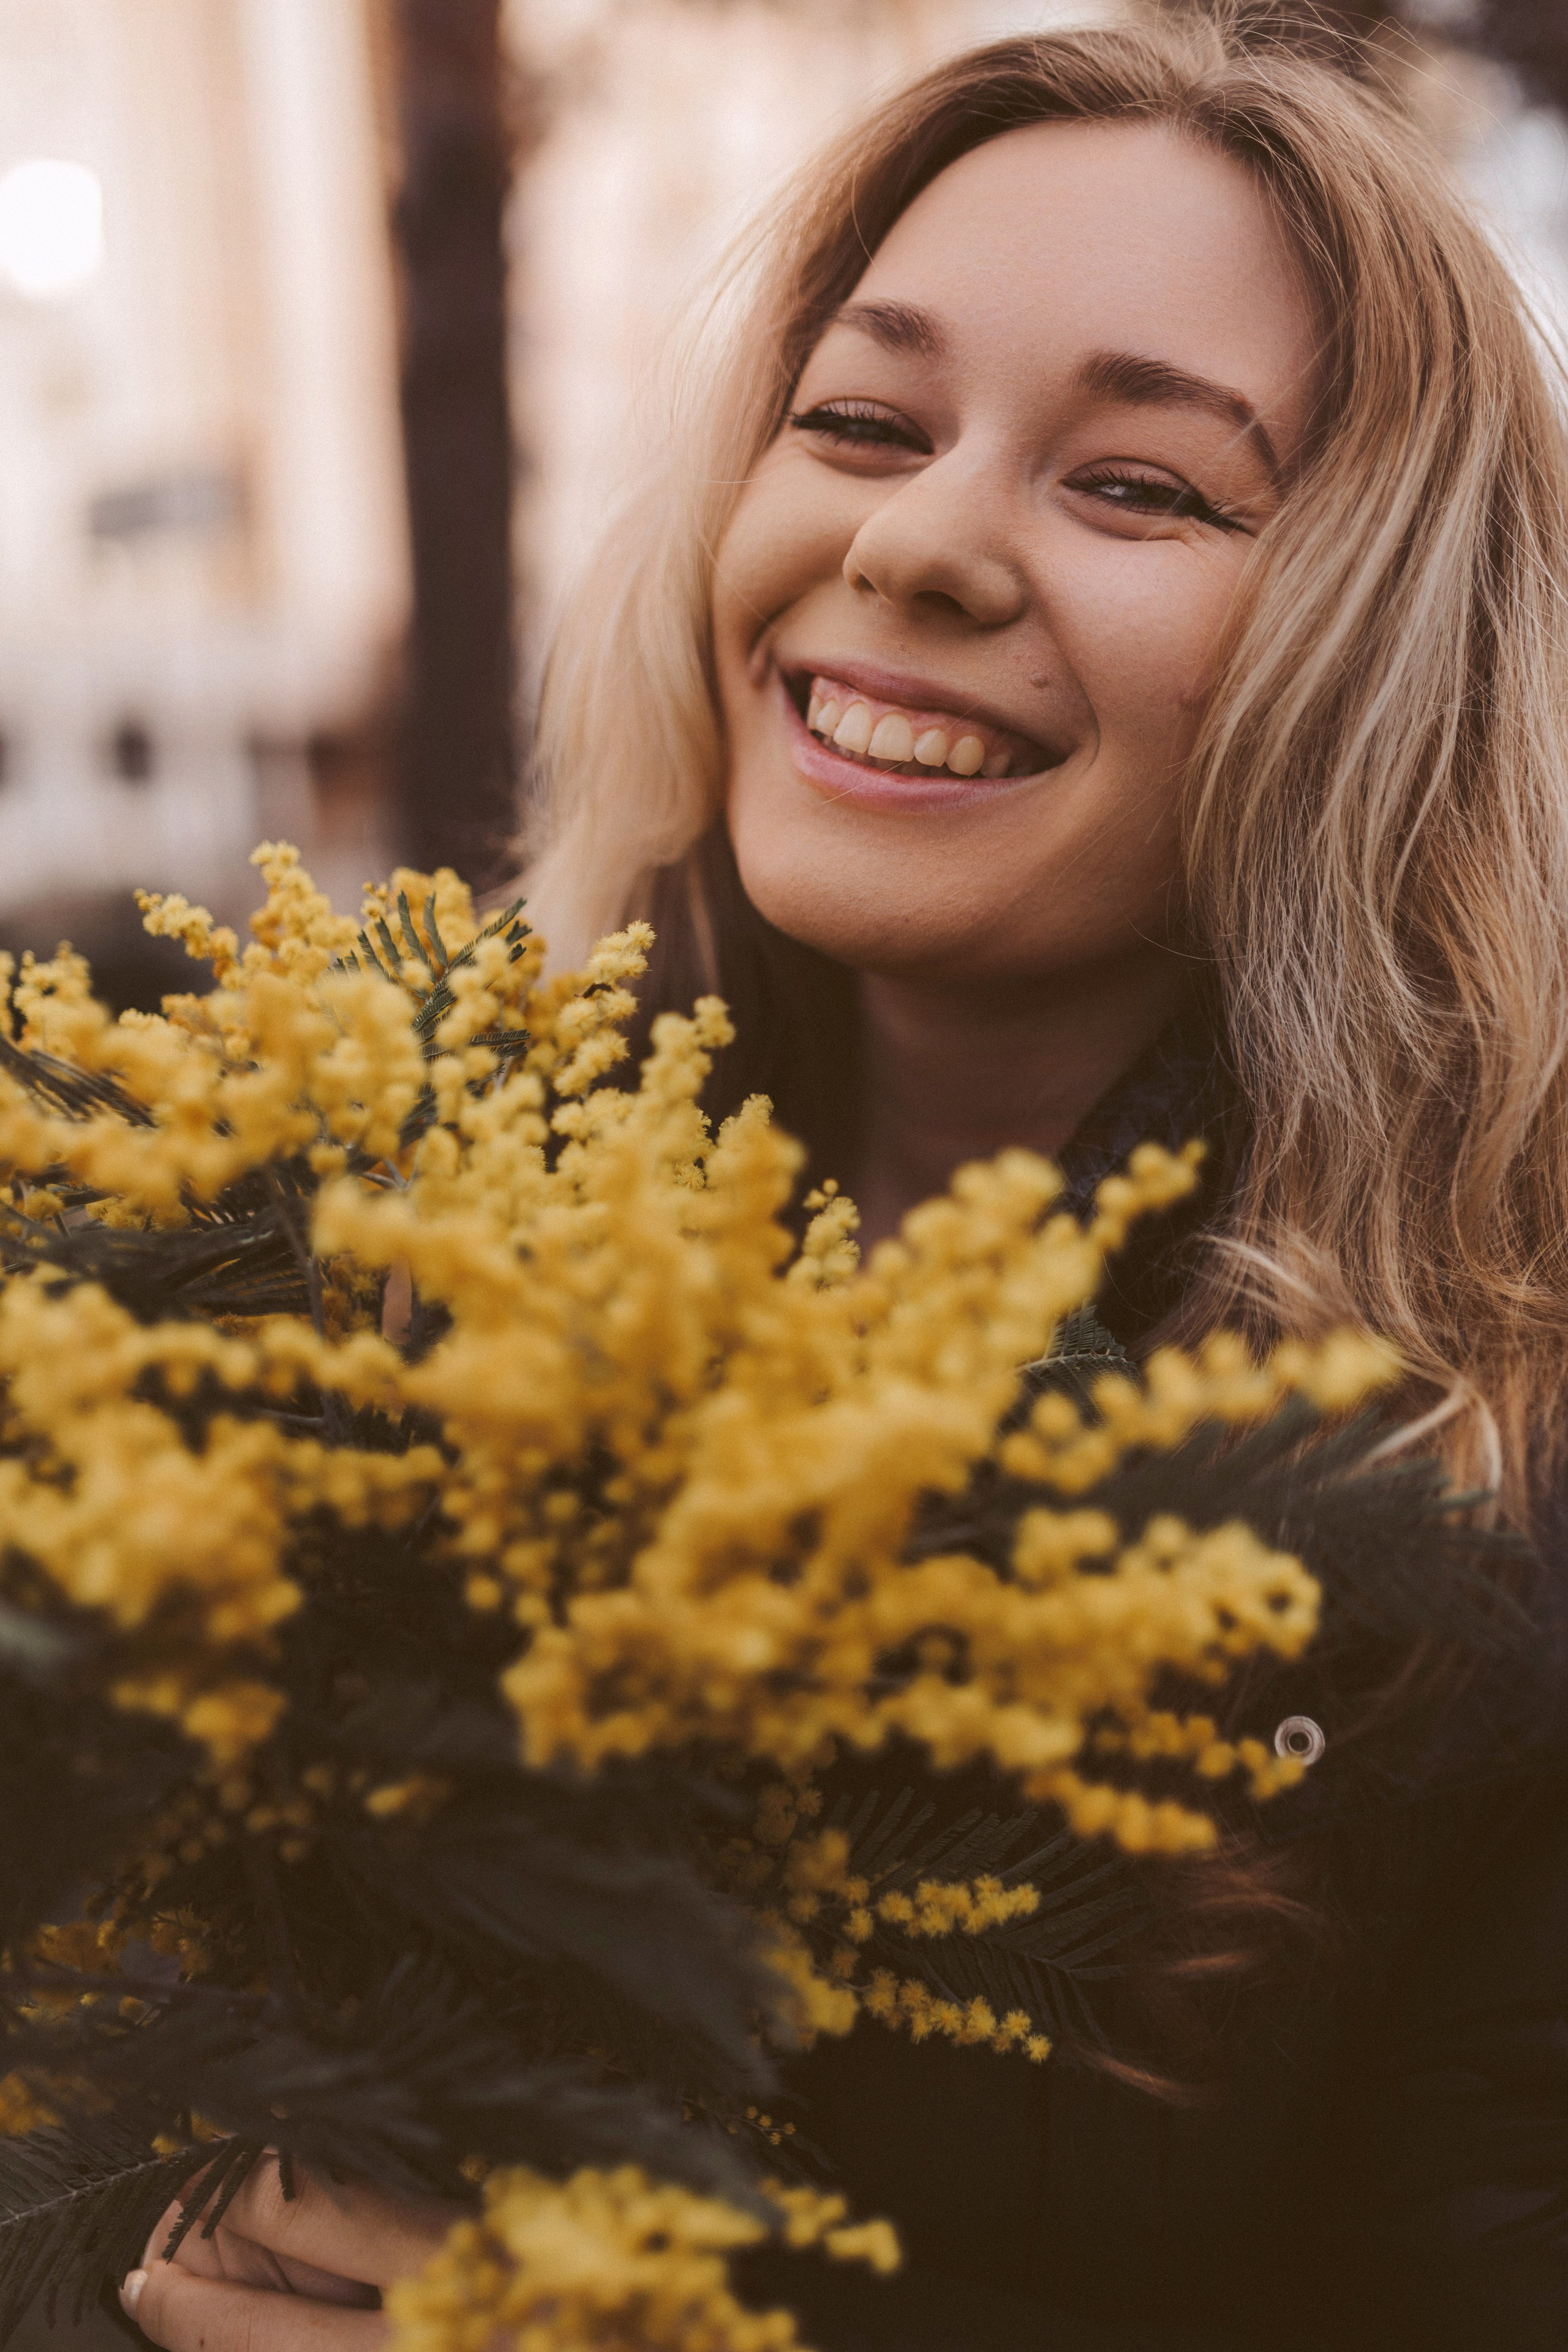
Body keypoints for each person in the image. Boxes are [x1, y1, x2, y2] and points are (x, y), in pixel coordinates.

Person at [120, 16, 1568, 2350]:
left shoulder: (1485, 1491)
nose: (912, 544)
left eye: (1143, 488)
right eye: (864, 424)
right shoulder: (327, 1252)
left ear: (1380, 656)